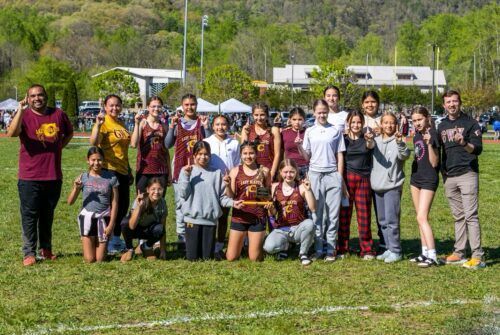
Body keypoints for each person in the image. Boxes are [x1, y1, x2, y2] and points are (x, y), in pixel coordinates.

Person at [7, 84, 74, 266]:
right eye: (33, 96)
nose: (37, 98)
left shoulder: (58, 114)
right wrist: (20, 110)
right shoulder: (24, 115)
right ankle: (29, 252)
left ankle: (46, 249)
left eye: (40, 95)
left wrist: (58, 147)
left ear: (46, 96)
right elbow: (11, 133)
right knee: (30, 215)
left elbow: (69, 132)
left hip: (53, 175)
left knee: (47, 214)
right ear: (28, 99)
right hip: (30, 177)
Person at [438, 90, 485, 269]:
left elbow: (477, 149)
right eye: (448, 102)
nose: (451, 104)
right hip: (450, 177)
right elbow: (441, 152)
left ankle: (478, 256)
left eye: (454, 101)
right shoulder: (441, 126)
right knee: (458, 216)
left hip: (467, 174)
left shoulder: (470, 123)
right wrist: (444, 174)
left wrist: (464, 143)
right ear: (444, 105)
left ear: (460, 103)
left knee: (471, 216)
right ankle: (459, 253)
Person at [296, 99, 345, 262]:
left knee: (333, 214)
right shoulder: (310, 131)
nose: (322, 114)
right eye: (319, 112)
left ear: (327, 112)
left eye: (325, 112)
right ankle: (318, 248)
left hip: (332, 175)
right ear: (314, 112)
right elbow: (307, 157)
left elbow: (340, 155)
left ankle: (331, 249)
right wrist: (299, 147)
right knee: (317, 214)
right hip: (315, 175)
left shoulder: (335, 130)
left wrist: (339, 176)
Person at [178, 141, 243, 261]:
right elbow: (183, 194)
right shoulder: (187, 171)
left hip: (210, 221)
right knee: (192, 258)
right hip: (192, 219)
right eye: (200, 154)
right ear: (194, 155)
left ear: (210, 156)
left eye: (206, 154)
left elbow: (222, 198)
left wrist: (233, 203)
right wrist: (186, 176)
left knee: (207, 258)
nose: (203, 157)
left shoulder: (216, 173)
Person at [164, 94, 209, 244]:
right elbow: (167, 144)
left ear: (196, 105)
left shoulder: (201, 122)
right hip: (181, 166)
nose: (190, 107)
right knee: (181, 201)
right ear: (182, 106)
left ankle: (196, 232)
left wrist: (206, 127)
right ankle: (181, 234)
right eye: (187, 105)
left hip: (199, 166)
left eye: (192, 104)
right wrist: (171, 127)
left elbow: (210, 142)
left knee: (198, 200)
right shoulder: (178, 123)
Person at [90, 94, 131, 255]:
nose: (115, 108)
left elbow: (124, 150)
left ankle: (115, 238)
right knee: (110, 207)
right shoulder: (104, 123)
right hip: (109, 170)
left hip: (123, 170)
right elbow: (93, 142)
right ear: (105, 107)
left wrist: (128, 169)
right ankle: (105, 241)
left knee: (122, 206)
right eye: (111, 105)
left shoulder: (121, 123)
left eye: (117, 105)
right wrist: (97, 126)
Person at [67, 147, 119, 263]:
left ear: (103, 160)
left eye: (99, 160)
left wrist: (111, 224)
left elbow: (115, 203)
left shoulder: (111, 178)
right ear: (88, 160)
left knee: (100, 260)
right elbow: (70, 202)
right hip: (87, 218)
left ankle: (97, 241)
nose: (96, 163)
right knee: (90, 260)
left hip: (104, 218)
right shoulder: (83, 177)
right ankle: (90, 239)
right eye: (93, 160)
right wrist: (76, 188)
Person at [371, 112, 410, 263]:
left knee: (392, 220)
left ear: (397, 125)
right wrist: (369, 139)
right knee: (382, 221)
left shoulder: (398, 140)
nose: (388, 125)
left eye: (392, 123)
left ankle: (396, 250)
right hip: (377, 185)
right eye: (385, 122)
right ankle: (387, 247)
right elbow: (369, 146)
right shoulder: (376, 141)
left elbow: (404, 155)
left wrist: (400, 142)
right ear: (381, 124)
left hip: (392, 186)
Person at [337, 110, 376, 260]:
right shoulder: (343, 139)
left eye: (359, 122)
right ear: (348, 123)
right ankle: (342, 248)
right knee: (344, 216)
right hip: (346, 181)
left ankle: (366, 249)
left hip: (363, 180)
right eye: (353, 122)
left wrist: (369, 139)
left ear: (363, 123)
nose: (356, 125)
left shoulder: (366, 138)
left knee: (364, 215)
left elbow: (371, 145)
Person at [263, 160, 316, 265]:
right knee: (268, 248)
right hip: (281, 229)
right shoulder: (275, 187)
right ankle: (286, 246)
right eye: (285, 172)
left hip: (298, 228)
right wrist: (270, 208)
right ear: (280, 172)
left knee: (310, 223)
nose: (288, 175)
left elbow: (313, 208)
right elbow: (272, 214)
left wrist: (309, 190)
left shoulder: (301, 186)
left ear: (296, 172)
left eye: (291, 172)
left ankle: (303, 253)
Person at [226, 141, 271, 262]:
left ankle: (261, 244)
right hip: (240, 215)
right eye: (245, 153)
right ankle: (246, 243)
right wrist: (227, 186)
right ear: (240, 155)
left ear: (256, 154)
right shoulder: (235, 171)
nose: (248, 156)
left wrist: (266, 198)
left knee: (254, 258)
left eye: (251, 153)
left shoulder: (264, 171)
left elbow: (268, 195)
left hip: (258, 216)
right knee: (231, 257)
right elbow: (231, 195)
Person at [203, 115, 241, 259]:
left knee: (224, 216)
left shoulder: (234, 143)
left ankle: (219, 245)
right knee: (211, 214)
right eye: (217, 124)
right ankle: (209, 244)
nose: (221, 127)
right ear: (213, 126)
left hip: (227, 184)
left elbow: (237, 164)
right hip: (211, 183)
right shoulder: (207, 142)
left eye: (224, 124)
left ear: (228, 125)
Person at [409, 106, 440, 267]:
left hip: (429, 179)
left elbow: (434, 162)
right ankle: (424, 252)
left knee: (422, 217)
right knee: (419, 218)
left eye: (419, 119)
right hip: (416, 179)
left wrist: (429, 144)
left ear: (427, 118)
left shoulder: (433, 134)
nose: (417, 123)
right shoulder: (417, 136)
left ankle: (433, 255)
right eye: (414, 121)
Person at [130, 96, 171, 195]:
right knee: (142, 204)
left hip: (161, 170)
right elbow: (133, 144)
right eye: (153, 106)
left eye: (159, 106)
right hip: (144, 170)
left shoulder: (164, 125)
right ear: (148, 107)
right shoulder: (142, 123)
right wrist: (136, 124)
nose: (156, 109)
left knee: (158, 204)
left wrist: (169, 173)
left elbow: (166, 151)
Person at [361, 90, 385, 253]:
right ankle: (365, 241)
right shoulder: (358, 120)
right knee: (364, 208)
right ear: (362, 105)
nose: (370, 105)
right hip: (362, 168)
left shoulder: (383, 120)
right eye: (367, 102)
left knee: (381, 207)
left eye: (373, 102)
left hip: (380, 168)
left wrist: (381, 131)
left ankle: (384, 240)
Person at [120, 178, 167, 262]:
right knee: (124, 223)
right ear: (148, 190)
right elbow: (131, 225)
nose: (156, 192)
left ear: (163, 190)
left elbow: (163, 227)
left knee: (160, 229)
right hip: (135, 229)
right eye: (153, 189)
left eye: (159, 189)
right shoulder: (141, 199)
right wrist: (139, 207)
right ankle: (129, 249)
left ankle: (147, 247)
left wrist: (163, 250)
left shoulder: (162, 203)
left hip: (148, 230)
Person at [241, 102, 281, 180]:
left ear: (267, 115)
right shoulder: (247, 129)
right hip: (252, 170)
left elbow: (277, 154)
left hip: (269, 169)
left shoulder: (274, 130)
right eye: (256, 115)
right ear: (252, 115)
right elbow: (244, 153)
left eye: (262, 115)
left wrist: (272, 174)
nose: (259, 118)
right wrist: (246, 133)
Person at [281, 107, 309, 179]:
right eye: (294, 119)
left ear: (304, 120)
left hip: (306, 167)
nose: (297, 122)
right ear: (290, 119)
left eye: (300, 119)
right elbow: (283, 151)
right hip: (289, 168)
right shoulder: (284, 133)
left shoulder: (309, 132)